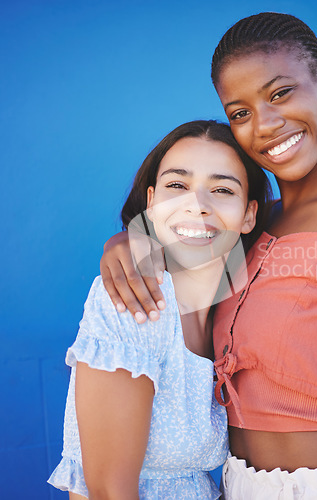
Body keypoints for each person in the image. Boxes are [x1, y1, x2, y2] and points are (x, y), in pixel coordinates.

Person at [99, 13, 317, 499]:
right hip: (233, 486)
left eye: (280, 93)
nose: (264, 125)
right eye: (239, 112)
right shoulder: (247, 223)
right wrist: (128, 241)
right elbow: (178, 249)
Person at [48, 120, 273, 500]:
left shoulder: (232, 311)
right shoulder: (135, 300)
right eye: (177, 185)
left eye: (221, 189)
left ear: (249, 215)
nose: (197, 205)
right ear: (151, 203)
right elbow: (108, 492)